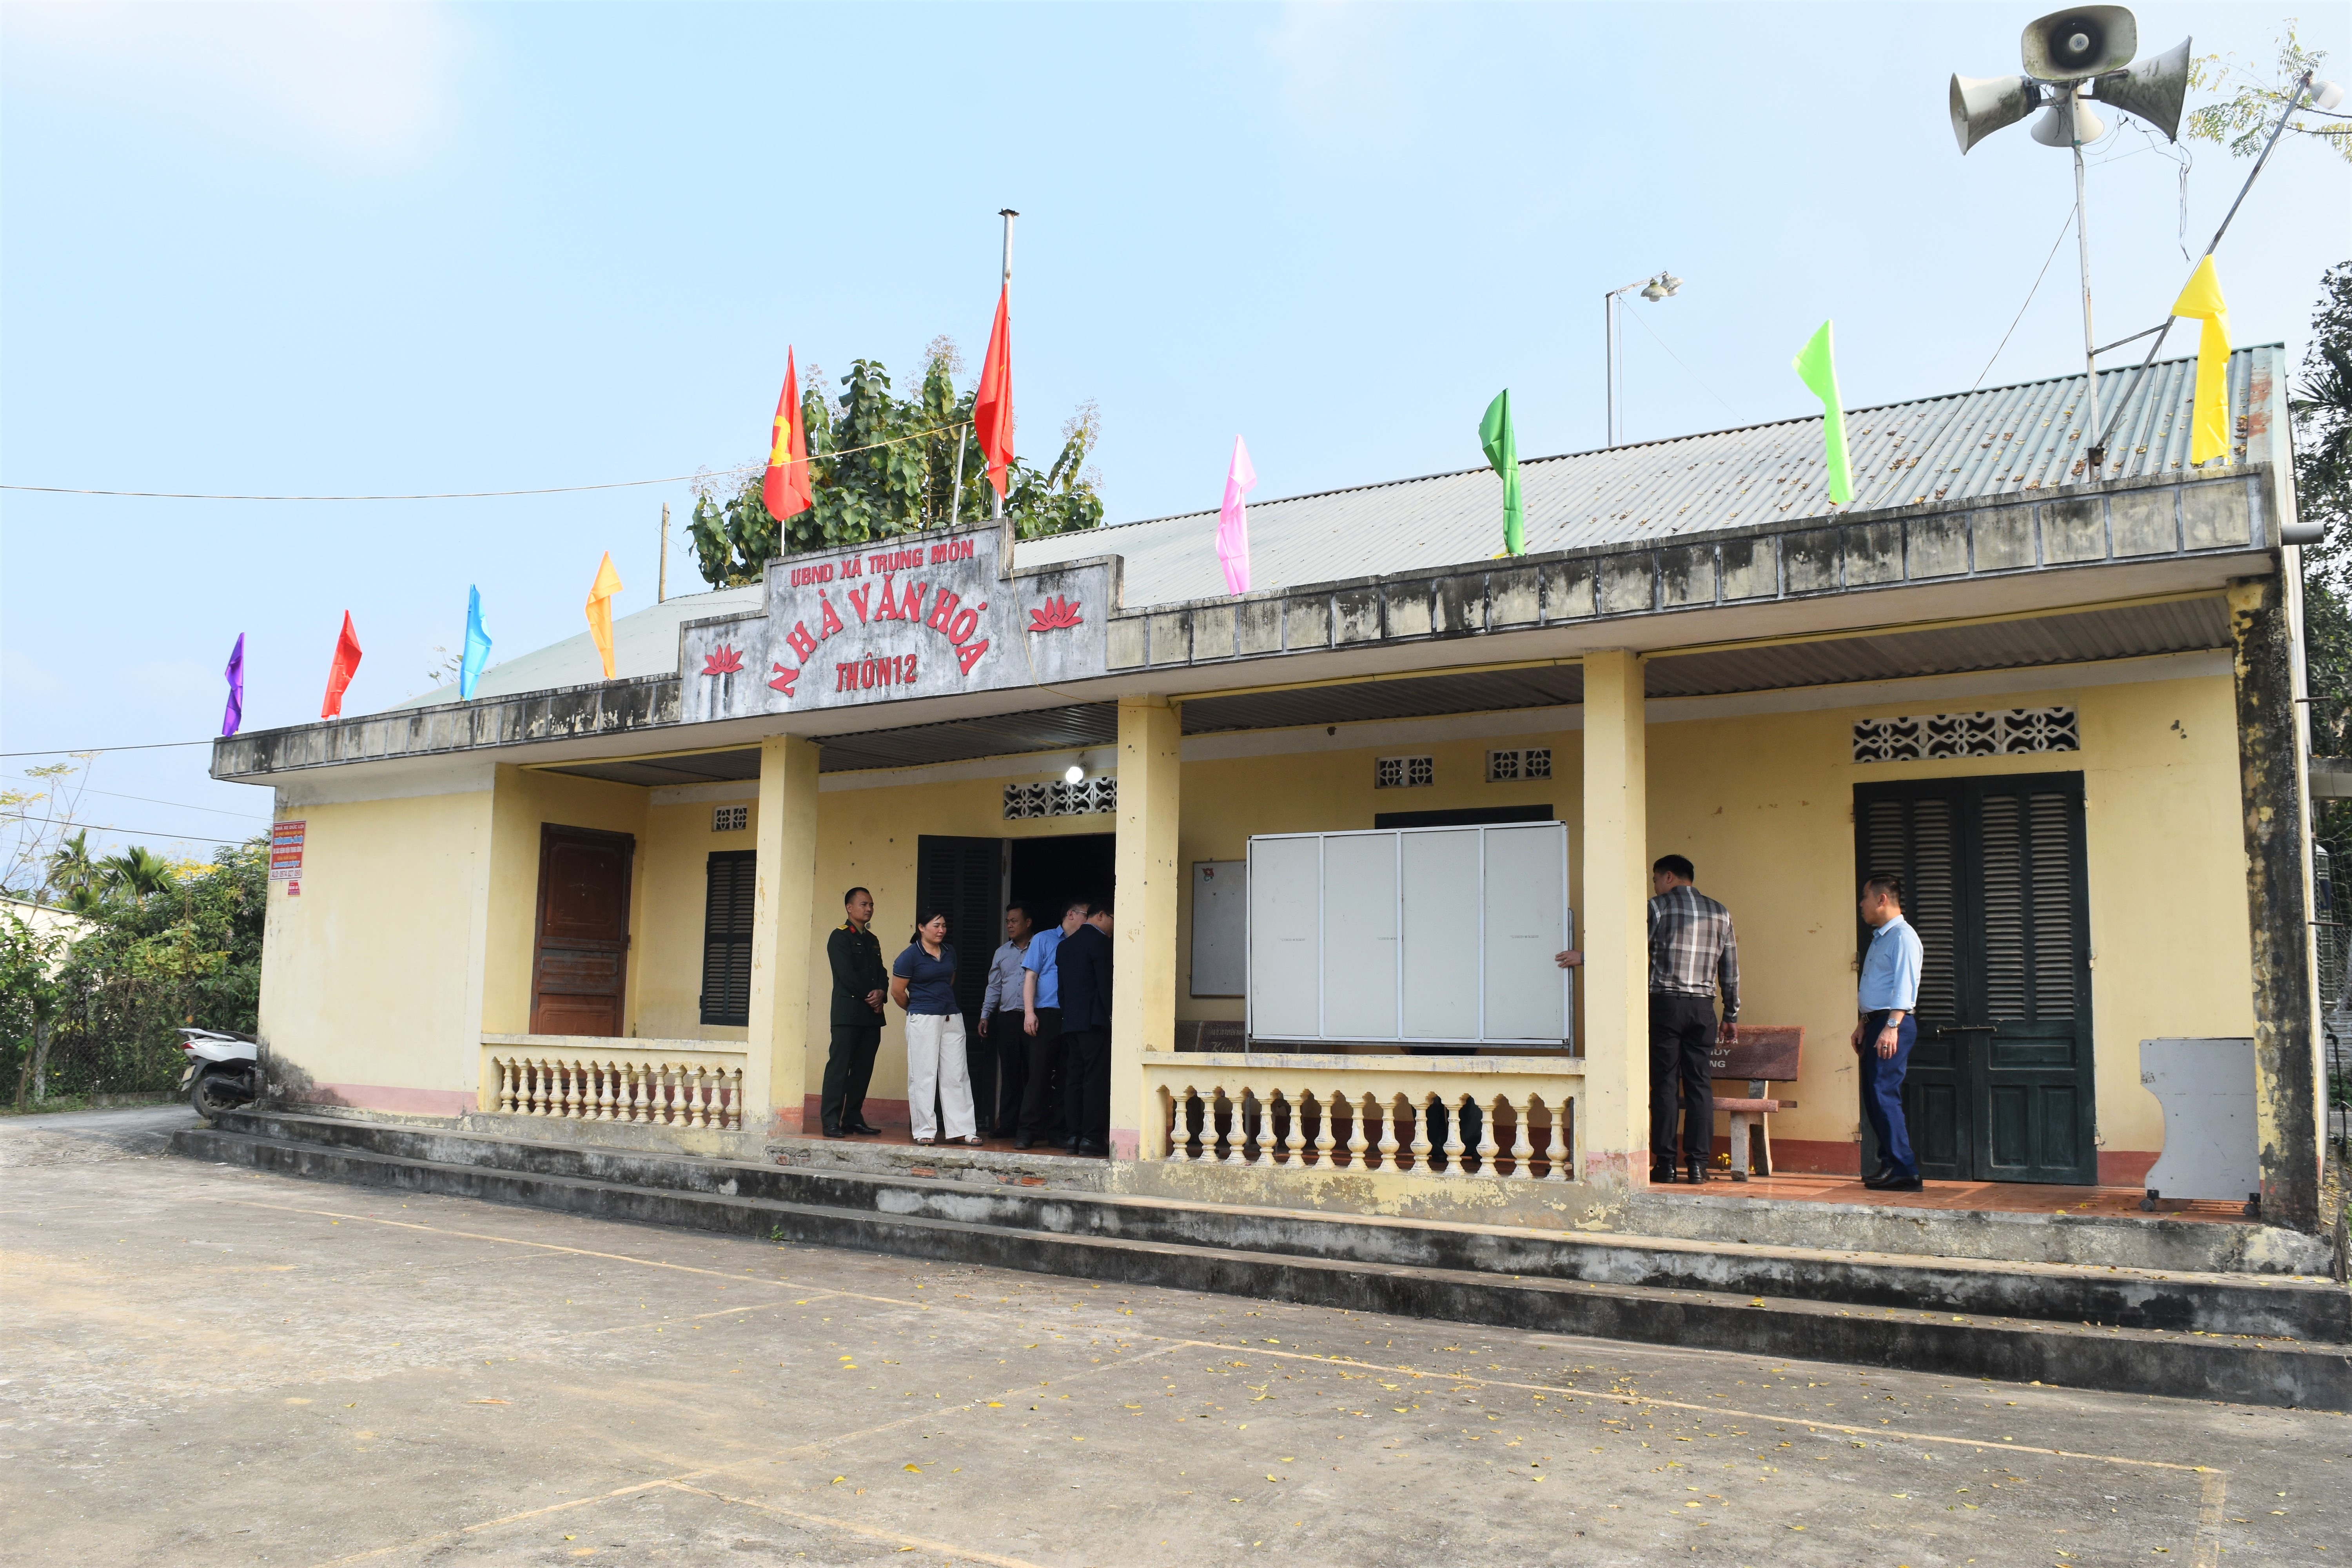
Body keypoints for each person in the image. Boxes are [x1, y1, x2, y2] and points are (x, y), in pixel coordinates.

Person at [1555, 853, 1740, 1185]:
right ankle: (1698, 1167)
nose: (1654, 886)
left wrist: (1584, 956)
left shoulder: (1657, 908)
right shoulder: (1721, 913)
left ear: (1669, 876)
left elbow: (1629, 950)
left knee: (1665, 1085)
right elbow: (1730, 969)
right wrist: (1731, 1013)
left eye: (1655, 879)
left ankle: (1666, 1165)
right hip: (1703, 1009)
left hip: (1665, 1006)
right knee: (1700, 1087)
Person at [1853, 872, 1924, 1192]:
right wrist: (1864, 1023)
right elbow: (1878, 987)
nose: (1861, 904)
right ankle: (1890, 1164)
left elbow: (1906, 987)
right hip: (1877, 1023)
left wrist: (1891, 1027)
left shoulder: (1903, 937)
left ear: (1882, 899)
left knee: (1884, 1094)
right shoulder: (1882, 937)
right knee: (1874, 1097)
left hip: (1892, 1023)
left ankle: (1906, 1170)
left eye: (1865, 897)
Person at [891, 908, 981, 1148]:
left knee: (957, 1073)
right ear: (921, 928)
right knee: (924, 1075)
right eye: (936, 926)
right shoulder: (910, 956)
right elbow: (897, 992)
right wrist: (918, 1009)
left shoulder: (950, 952)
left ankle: (962, 1130)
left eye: (944, 926)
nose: (942, 930)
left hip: (951, 1016)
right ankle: (924, 1130)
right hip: (923, 1018)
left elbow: (949, 981)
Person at [1014, 900, 1084, 1149]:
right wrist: (1029, 1013)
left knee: (1067, 1075)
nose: (1088, 920)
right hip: (1046, 1015)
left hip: (1072, 1016)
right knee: (1039, 1075)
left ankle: (1058, 1131)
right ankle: (1027, 1132)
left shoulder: (1083, 942)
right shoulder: (1044, 939)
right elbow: (1031, 977)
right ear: (1071, 914)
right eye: (1086, 915)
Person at [822, 887, 889, 1139]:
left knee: (863, 1070)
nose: (869, 908)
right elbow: (847, 974)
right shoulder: (839, 937)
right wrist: (872, 996)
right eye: (864, 904)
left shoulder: (872, 940)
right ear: (849, 908)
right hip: (848, 1014)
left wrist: (882, 992)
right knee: (839, 1069)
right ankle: (831, 1120)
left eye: (871, 904)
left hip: (871, 1016)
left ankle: (852, 1118)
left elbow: (881, 973)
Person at [1055, 899, 1115, 1157]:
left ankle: (1074, 1136)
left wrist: (1068, 1016)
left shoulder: (1065, 946)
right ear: (1100, 915)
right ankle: (1092, 1137)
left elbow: (1062, 991)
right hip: (1094, 1021)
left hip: (1071, 1022)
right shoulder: (1100, 942)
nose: (1114, 927)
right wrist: (1113, 1017)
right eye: (1113, 920)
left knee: (1074, 1079)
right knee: (1094, 1079)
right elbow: (1105, 986)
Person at [978, 902, 1036, 1138]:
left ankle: (1032, 1127)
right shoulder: (1002, 953)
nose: (1010, 926)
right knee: (1010, 1073)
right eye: (1008, 922)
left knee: (1034, 1073)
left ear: (1028, 923)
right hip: (1008, 1019)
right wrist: (986, 1014)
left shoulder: (1041, 947)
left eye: (1015, 921)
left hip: (1035, 1017)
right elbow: (994, 987)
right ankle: (1009, 1124)